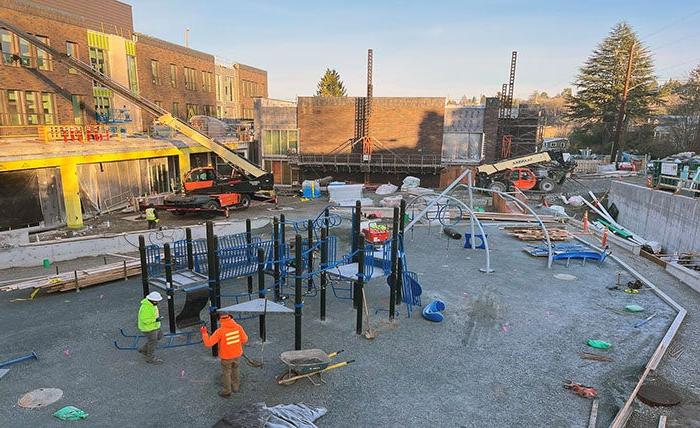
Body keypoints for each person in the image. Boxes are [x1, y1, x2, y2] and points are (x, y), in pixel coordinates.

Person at [200, 314, 248, 397]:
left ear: (220, 320)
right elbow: (245, 339)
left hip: (226, 357)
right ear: (230, 318)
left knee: (226, 373)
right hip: (237, 355)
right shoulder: (238, 327)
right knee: (235, 370)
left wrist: (204, 333)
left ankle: (227, 391)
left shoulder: (220, 331)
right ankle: (236, 387)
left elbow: (208, 343)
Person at [138, 291, 163, 364]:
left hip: (154, 326)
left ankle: (144, 349)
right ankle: (150, 358)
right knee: (153, 342)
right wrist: (156, 320)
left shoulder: (151, 304)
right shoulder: (146, 308)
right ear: (152, 300)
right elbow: (145, 320)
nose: (158, 302)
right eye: (157, 301)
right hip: (148, 328)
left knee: (159, 336)